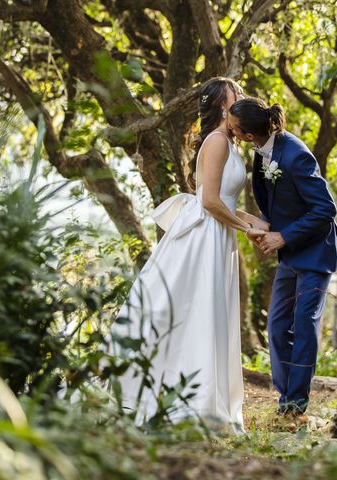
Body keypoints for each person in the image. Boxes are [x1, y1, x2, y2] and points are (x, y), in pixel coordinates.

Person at [110, 78, 267, 433]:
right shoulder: (215, 141)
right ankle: (185, 404)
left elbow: (222, 201)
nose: (242, 96)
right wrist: (246, 230)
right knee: (193, 312)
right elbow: (209, 202)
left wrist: (251, 219)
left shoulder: (230, 143)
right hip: (204, 237)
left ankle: (204, 401)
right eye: (236, 93)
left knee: (206, 314)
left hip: (218, 232)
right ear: (221, 105)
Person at [227, 97, 337, 423]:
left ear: (248, 134)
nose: (230, 131)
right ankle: (285, 398)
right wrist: (263, 225)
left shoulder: (295, 155)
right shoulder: (263, 153)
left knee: (304, 325)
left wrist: (283, 236)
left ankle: (295, 406)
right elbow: (279, 203)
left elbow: (326, 209)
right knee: (277, 326)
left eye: (234, 127)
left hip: (316, 254)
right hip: (291, 254)